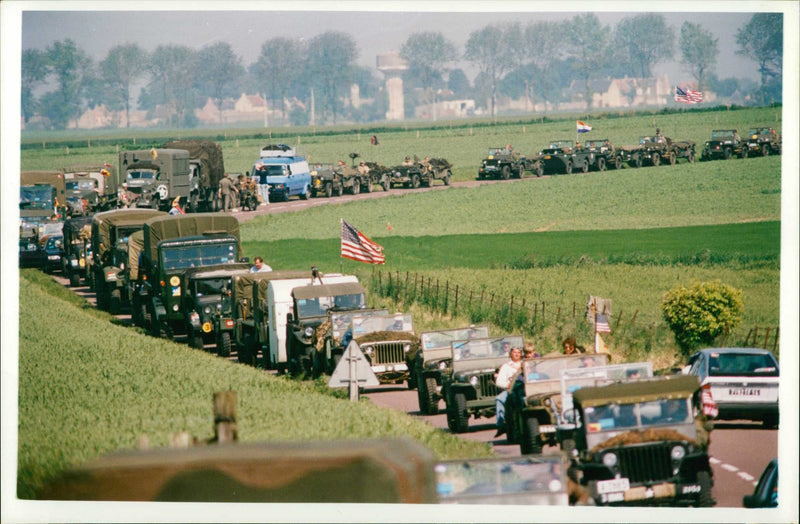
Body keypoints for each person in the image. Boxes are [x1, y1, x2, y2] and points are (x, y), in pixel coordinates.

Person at [494, 346, 523, 437]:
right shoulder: (506, 366)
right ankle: (501, 424)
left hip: (523, 389)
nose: (517, 354)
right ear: (511, 354)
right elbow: (499, 381)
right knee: (499, 399)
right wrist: (508, 385)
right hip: (511, 390)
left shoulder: (525, 364)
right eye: (514, 352)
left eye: (518, 352)